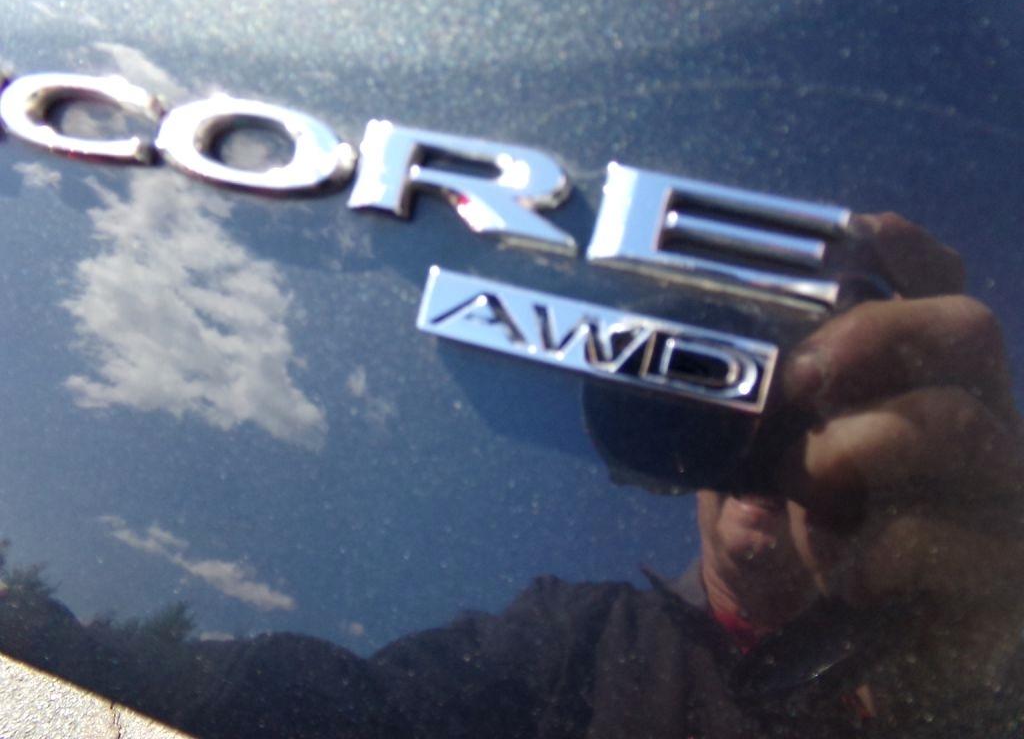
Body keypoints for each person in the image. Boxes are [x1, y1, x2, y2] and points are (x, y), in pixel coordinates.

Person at [0, 215, 1020, 738]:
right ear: (673, 440)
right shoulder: (577, 639)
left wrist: (978, 677)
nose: (773, 430)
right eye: (730, 393)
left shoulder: (950, 655)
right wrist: (42, 658)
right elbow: (341, 707)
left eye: (816, 400)